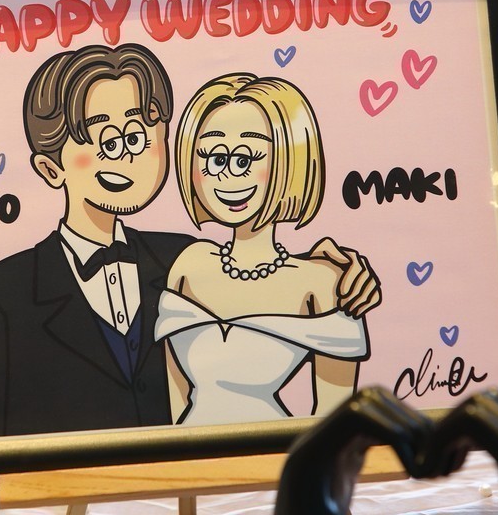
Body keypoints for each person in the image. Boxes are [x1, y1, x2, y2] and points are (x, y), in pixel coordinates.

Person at [0, 44, 380, 440]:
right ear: (49, 168)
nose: (127, 155)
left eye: (138, 135)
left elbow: (258, 281)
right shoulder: (0, 294)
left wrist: (344, 275)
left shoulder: (181, 257)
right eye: (107, 141)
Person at [156, 73, 372, 427]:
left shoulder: (323, 283)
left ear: (289, 163)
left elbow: (334, 421)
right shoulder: (188, 265)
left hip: (277, 453)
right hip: (190, 451)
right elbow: (176, 401)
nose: (228, 176)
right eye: (214, 159)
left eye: (245, 160)